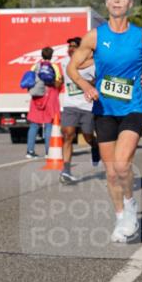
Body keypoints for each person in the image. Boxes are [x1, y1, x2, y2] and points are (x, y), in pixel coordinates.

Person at [67, 0, 142, 243]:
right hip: (104, 110)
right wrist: (86, 85)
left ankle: (130, 205)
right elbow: (72, 68)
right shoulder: (94, 37)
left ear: (130, 3)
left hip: (133, 108)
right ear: (107, 3)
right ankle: (121, 216)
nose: (117, 1)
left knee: (122, 165)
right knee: (111, 172)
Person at [59, 36, 100, 183]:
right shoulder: (64, 62)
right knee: (68, 135)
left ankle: (95, 146)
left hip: (87, 106)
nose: (70, 49)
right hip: (70, 105)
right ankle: (66, 171)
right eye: (69, 46)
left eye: (74, 46)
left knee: (88, 136)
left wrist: (83, 82)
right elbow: (61, 79)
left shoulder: (92, 64)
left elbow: (98, 81)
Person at [26, 47, 62, 158]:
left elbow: (29, 80)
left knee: (34, 125)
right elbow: (58, 82)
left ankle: (30, 151)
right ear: (51, 55)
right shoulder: (54, 67)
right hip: (50, 96)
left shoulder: (35, 66)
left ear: (42, 55)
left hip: (37, 97)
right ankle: (48, 152)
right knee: (49, 124)